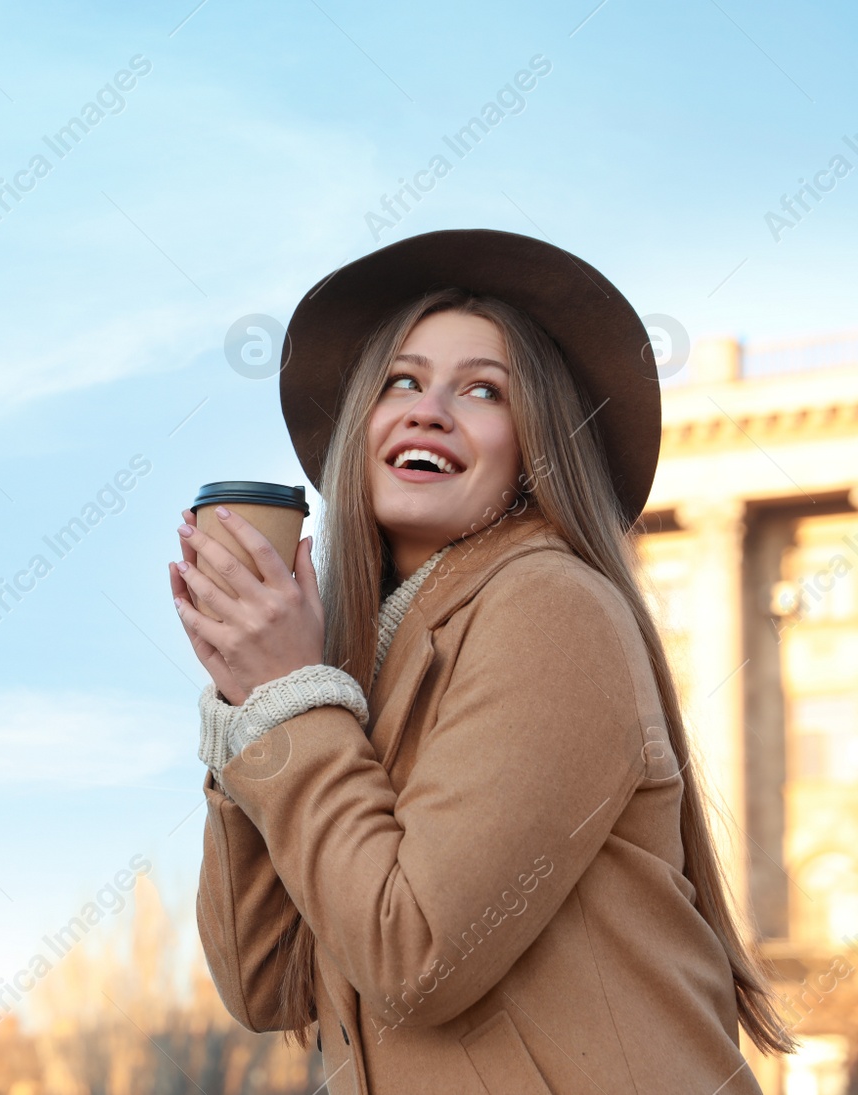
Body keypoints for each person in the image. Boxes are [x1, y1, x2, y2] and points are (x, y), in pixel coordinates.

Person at [169, 229, 796, 1093]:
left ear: (536, 450)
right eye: (402, 380)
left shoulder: (549, 604)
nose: (429, 409)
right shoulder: (357, 683)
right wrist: (253, 703)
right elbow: (268, 980)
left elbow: (411, 953)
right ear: (365, 429)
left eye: (482, 390)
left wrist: (285, 696)